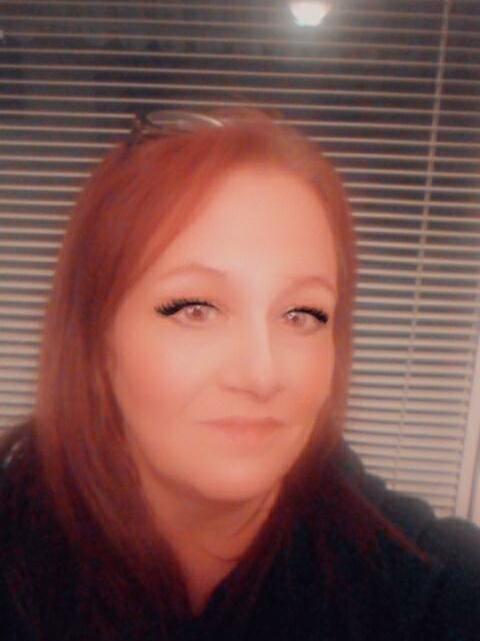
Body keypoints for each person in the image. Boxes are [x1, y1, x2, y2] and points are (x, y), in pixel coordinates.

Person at [0, 107, 479, 641]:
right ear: (96, 340)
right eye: (195, 309)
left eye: (301, 315)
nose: (261, 375)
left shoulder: (423, 587)